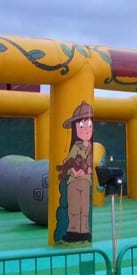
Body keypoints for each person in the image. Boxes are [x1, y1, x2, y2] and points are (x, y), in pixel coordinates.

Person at [55, 101, 94, 243]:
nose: (86, 129)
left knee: (85, 207)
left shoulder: (91, 148)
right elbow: (68, 161)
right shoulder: (76, 147)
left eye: (89, 125)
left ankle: (84, 231)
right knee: (74, 207)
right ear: (75, 128)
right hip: (73, 181)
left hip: (86, 181)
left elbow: (91, 165)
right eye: (81, 126)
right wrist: (74, 171)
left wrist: (87, 170)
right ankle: (73, 230)